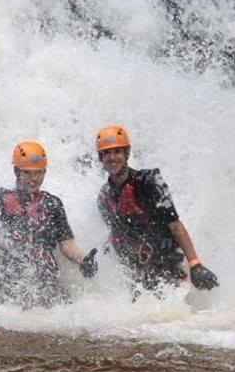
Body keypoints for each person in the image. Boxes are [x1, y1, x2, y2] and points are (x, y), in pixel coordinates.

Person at [94, 125, 220, 294]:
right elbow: (114, 236)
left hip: (167, 266)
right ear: (100, 158)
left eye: (117, 151)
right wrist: (97, 259)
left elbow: (175, 224)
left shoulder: (149, 183)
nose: (112, 158)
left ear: (127, 153)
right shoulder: (104, 197)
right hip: (138, 274)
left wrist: (195, 264)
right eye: (106, 153)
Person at [0, 140, 98, 308]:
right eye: (28, 173)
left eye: (39, 172)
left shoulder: (53, 204)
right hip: (10, 280)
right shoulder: (2, 200)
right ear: (16, 171)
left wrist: (83, 261)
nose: (34, 179)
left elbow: (66, 245)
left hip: (46, 279)